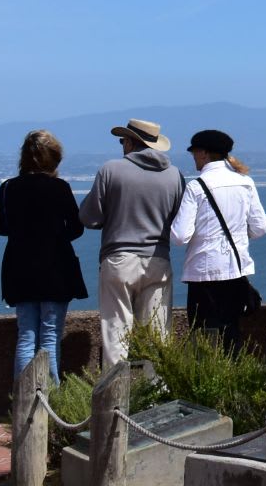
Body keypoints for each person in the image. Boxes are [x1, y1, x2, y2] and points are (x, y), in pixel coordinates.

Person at [79, 118, 185, 366]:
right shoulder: (175, 176)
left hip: (118, 259)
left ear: (129, 142)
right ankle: (157, 395)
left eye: (122, 140)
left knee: (116, 333)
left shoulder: (111, 170)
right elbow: (181, 221)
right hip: (158, 259)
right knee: (157, 337)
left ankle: (114, 398)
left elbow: (89, 217)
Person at [0, 131, 87, 379]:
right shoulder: (60, 188)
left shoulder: (9, 188)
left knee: (26, 335)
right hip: (56, 269)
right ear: (54, 159)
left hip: (20, 269)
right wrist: (54, 237)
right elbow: (76, 227)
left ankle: (22, 400)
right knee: (50, 336)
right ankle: (51, 400)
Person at [170, 130, 266, 349]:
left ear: (204, 153)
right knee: (231, 331)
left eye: (194, 153)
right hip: (235, 270)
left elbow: (179, 236)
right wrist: (240, 235)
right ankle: (234, 377)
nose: (194, 157)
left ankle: (209, 378)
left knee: (204, 336)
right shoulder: (245, 182)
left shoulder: (197, 187)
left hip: (203, 273)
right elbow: (261, 227)